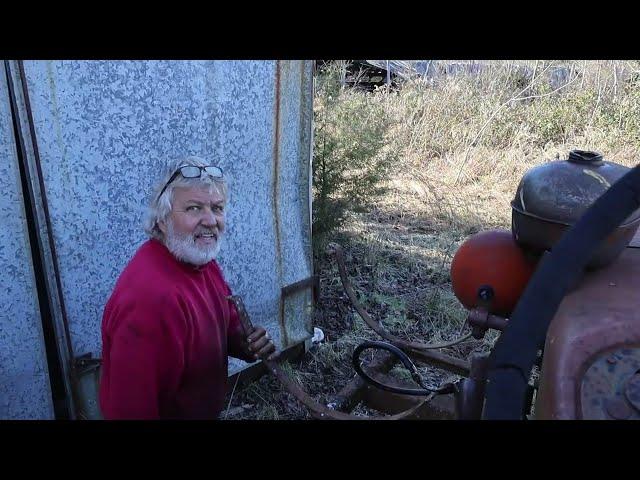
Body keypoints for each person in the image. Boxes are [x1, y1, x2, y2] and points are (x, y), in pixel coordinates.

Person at [99, 156, 276, 419]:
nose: (210, 220)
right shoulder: (149, 300)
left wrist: (246, 343)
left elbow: (221, 324)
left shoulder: (201, 263)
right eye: (193, 208)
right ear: (162, 219)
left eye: (217, 208)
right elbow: (130, 410)